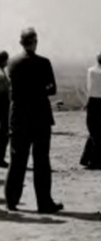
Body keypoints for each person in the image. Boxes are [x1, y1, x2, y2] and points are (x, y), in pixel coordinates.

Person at [4, 28, 63, 213]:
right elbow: (52, 89)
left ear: (21, 42)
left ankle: (11, 200)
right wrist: (39, 90)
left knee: (17, 159)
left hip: (19, 115)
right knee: (41, 161)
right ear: (35, 41)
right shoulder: (43, 62)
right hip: (40, 116)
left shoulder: (12, 63)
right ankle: (44, 202)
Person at [79, 51, 101, 169]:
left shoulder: (90, 71)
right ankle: (96, 161)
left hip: (92, 102)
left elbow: (88, 86)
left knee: (93, 131)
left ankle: (86, 158)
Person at [0, 50, 10, 167]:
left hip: (3, 104)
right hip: (3, 105)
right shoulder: (2, 75)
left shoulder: (3, 72)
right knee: (3, 133)